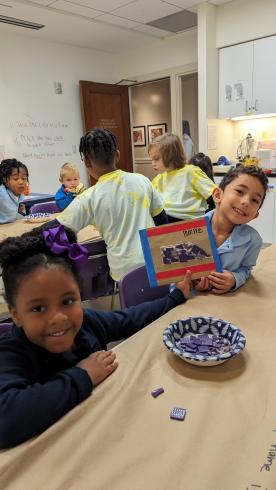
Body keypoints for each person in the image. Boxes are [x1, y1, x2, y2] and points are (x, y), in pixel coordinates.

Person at [0, 223, 191, 448]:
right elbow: (6, 418)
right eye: (39, 308)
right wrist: (84, 375)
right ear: (15, 315)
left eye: (68, 301)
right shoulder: (9, 353)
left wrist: (174, 298)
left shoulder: (88, 323)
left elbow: (130, 319)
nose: (59, 318)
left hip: (108, 434)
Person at [56, 128, 167, 281]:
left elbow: (55, 230)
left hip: (125, 271)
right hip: (155, 261)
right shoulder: (142, 180)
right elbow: (161, 219)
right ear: (117, 155)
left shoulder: (88, 197)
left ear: (86, 161)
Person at [194, 165, 268, 294]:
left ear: (255, 215)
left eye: (254, 200)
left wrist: (234, 279)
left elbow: (246, 269)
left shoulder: (253, 241)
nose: (246, 202)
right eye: (240, 191)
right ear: (217, 195)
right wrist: (193, 281)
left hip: (228, 303)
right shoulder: (190, 230)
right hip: (189, 303)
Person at [148, 133, 216, 223]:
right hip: (165, 221)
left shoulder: (191, 172)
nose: (153, 163)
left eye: (156, 159)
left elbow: (215, 194)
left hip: (190, 223)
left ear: (170, 156)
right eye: (151, 159)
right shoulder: (158, 179)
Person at [0, 158, 29, 224]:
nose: (21, 182)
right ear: (5, 180)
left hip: (10, 226)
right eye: (16, 179)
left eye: (24, 178)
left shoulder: (20, 194)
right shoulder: (2, 193)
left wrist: (18, 209)